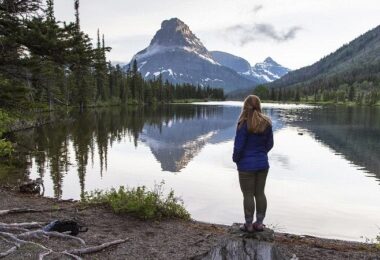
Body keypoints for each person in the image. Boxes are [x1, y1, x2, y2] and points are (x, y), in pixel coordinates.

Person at [232, 95, 273, 232]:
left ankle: (248, 225)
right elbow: (269, 144)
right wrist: (261, 154)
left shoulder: (243, 123)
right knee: (260, 193)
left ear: (245, 107)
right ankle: (259, 223)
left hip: (245, 166)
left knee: (248, 195)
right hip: (262, 165)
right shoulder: (266, 123)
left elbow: (239, 147)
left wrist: (236, 159)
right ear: (259, 106)